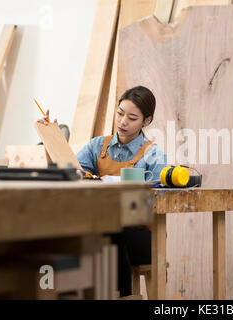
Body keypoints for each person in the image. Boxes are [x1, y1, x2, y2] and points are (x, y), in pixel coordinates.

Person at [38, 85, 167, 297]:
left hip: (144, 236)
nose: (123, 121)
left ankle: (122, 295)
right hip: (105, 228)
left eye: (132, 118)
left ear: (146, 121)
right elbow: (71, 173)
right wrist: (51, 140)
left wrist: (117, 180)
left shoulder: (153, 154)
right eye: (120, 113)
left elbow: (157, 193)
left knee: (109, 231)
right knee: (77, 230)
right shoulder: (98, 146)